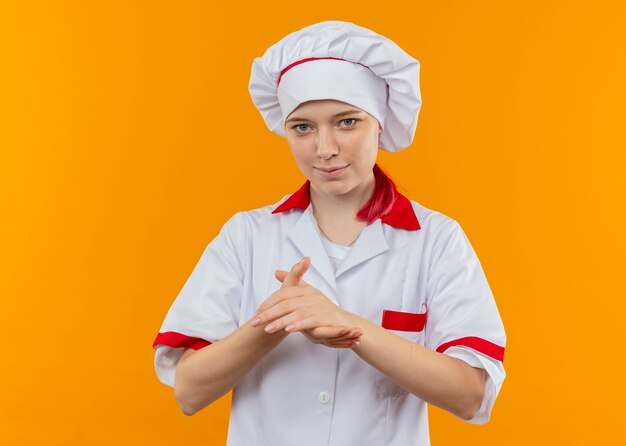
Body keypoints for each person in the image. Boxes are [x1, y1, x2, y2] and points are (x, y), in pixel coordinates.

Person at [152, 20, 506, 446]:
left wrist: (350, 326)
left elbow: (471, 395)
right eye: (303, 127)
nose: (324, 148)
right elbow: (189, 392)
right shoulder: (246, 236)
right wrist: (276, 320)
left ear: (379, 122)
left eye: (346, 122)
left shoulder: (436, 239)